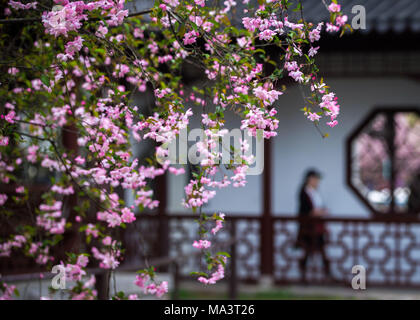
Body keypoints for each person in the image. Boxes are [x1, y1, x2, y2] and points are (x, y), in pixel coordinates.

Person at [295, 169, 331, 282]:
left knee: (317, 249)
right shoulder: (304, 192)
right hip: (309, 226)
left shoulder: (314, 192)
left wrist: (321, 211)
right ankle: (306, 273)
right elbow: (308, 210)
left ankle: (324, 273)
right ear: (310, 179)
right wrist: (320, 212)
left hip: (317, 226)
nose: (317, 182)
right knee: (309, 249)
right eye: (315, 179)